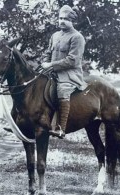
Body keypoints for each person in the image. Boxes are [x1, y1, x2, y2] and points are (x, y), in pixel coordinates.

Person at [41, 5, 88, 139]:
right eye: (60, 18)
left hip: (70, 74)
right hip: (52, 71)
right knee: (35, 85)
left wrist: (51, 65)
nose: (62, 21)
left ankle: (60, 128)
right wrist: (45, 64)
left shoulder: (77, 37)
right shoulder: (55, 35)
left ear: (72, 21)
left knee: (62, 90)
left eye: (65, 19)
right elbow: (48, 53)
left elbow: (72, 60)